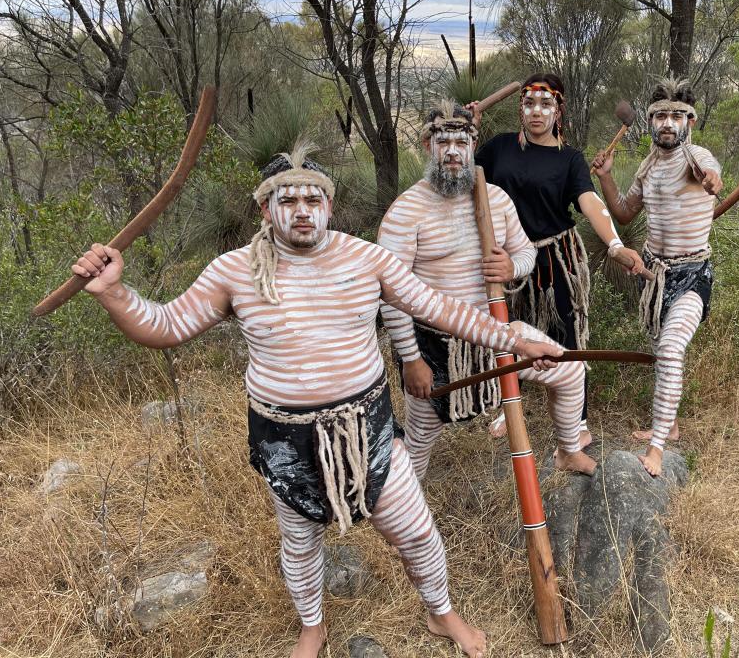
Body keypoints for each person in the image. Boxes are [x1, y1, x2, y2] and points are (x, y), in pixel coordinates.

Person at [70, 144, 564, 658]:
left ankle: (442, 614)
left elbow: (439, 308)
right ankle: (313, 626)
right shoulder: (235, 271)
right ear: (266, 209)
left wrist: (518, 343)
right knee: (302, 544)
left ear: (329, 206)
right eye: (288, 201)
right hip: (286, 439)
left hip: (366, 429)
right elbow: (166, 326)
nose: (302, 210)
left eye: (313, 199)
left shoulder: (367, 259)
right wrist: (113, 293)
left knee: (415, 531)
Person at [378, 102, 597, 477]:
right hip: (435, 347)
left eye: (461, 143)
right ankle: (403, 509)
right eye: (441, 141)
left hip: (496, 333)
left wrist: (512, 266)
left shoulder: (495, 199)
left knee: (569, 370)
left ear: (472, 145)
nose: (451, 151)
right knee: (421, 435)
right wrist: (411, 359)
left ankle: (568, 449)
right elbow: (392, 295)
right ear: (427, 145)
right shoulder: (406, 211)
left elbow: (526, 251)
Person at [469, 73, 645, 443]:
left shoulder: (570, 160)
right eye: (529, 103)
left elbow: (590, 203)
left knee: (566, 331)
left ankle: (576, 421)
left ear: (558, 111)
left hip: (556, 259)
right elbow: (462, 174)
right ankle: (509, 409)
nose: (536, 112)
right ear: (520, 108)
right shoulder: (498, 148)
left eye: (545, 105)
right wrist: (467, 132)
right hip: (509, 260)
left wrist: (614, 245)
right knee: (508, 331)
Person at [591, 78, 723, 476]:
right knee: (661, 353)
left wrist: (711, 181)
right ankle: (673, 425)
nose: (668, 123)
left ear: (691, 122)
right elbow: (626, 213)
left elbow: (712, 179)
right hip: (653, 275)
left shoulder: (697, 157)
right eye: (660, 116)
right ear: (650, 122)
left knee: (669, 350)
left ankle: (658, 448)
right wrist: (607, 177)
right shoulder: (649, 166)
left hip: (692, 274)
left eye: (676, 116)